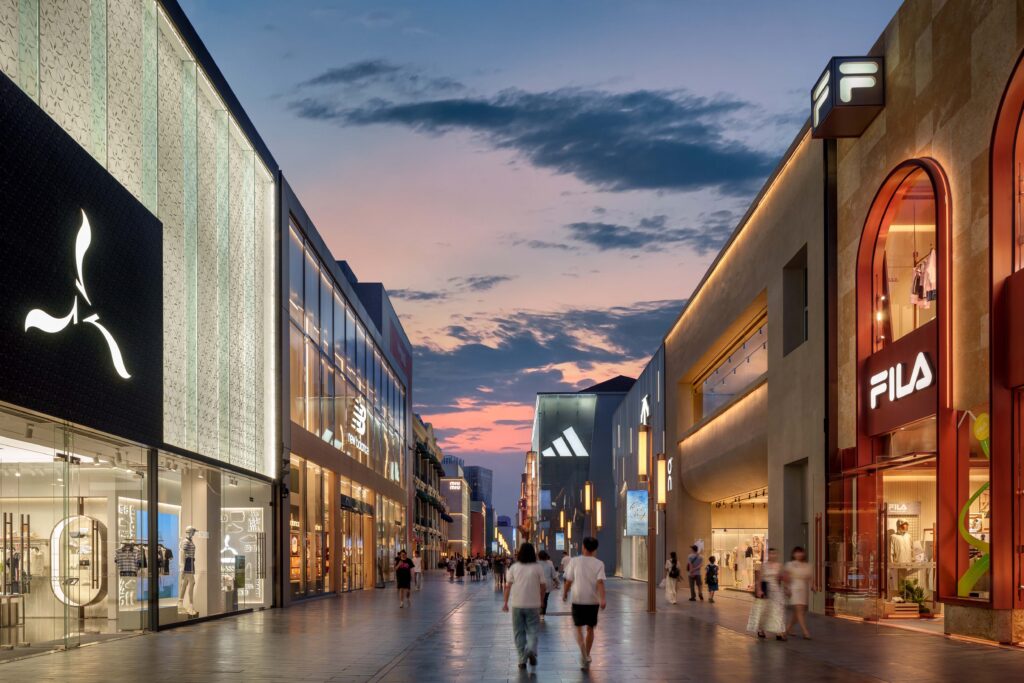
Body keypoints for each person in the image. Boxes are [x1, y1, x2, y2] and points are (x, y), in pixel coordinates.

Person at [562, 536, 606, 671]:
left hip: (578, 599)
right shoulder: (599, 563)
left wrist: (564, 593)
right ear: (595, 549)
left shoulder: (574, 561)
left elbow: (569, 580)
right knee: (590, 629)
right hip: (593, 601)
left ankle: (583, 653)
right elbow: (600, 582)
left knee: (578, 628)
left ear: (583, 546)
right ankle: (586, 654)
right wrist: (602, 598)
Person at [503, 543, 546, 670]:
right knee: (533, 630)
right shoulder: (538, 568)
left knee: (518, 632)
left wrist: (505, 603)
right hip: (533, 604)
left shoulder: (514, 567)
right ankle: (531, 649)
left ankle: (522, 659)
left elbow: (508, 587)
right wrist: (541, 599)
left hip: (517, 604)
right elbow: (543, 586)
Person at [746, 547, 786, 640]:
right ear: (768, 555)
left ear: (777, 555)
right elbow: (759, 579)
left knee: (777, 610)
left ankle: (778, 631)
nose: (773, 555)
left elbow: (781, 578)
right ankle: (761, 629)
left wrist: (785, 582)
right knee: (764, 611)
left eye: (774, 553)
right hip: (766, 590)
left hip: (776, 590)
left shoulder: (779, 565)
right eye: (771, 553)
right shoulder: (764, 566)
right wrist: (759, 590)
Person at [784, 546, 813, 639]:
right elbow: (786, 578)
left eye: (801, 552)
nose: (799, 554)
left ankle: (787, 629)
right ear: (793, 554)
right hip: (794, 588)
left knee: (799, 612)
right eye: (797, 552)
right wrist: (787, 588)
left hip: (804, 589)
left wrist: (813, 585)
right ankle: (805, 632)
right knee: (799, 610)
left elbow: (810, 577)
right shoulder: (790, 564)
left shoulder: (807, 565)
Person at [537, 550, 559, 621]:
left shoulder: (536, 563)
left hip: (537, 584)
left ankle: (538, 612)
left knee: (537, 599)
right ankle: (542, 614)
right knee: (545, 599)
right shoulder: (550, 563)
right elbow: (554, 575)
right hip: (547, 584)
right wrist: (557, 582)